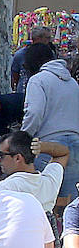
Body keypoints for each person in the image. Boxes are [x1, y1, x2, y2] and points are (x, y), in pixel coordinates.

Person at [21, 41, 79, 201]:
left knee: (46, 199)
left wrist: (24, 136)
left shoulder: (37, 80)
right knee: (70, 201)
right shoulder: (72, 83)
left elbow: (34, 112)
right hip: (75, 143)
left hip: (48, 145)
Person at [0, 132, 68, 221]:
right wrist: (42, 147)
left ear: (17, 158)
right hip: (44, 229)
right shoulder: (49, 182)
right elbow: (63, 153)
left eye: (1, 155)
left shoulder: (6, 187)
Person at [13, 26, 53, 92]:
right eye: (47, 38)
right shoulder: (20, 55)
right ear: (38, 38)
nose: (49, 41)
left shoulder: (50, 53)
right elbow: (15, 76)